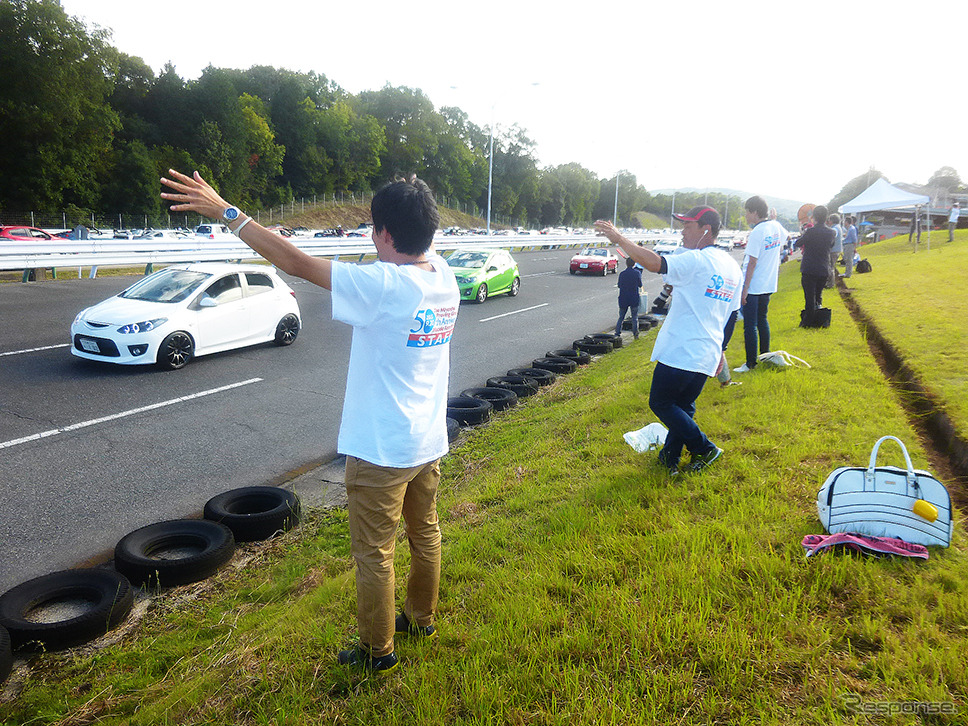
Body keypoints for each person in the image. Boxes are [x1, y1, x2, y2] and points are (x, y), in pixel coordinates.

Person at [160, 169, 459, 675]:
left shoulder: (383, 285)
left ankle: (376, 651)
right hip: (427, 440)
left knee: (375, 554)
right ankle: (421, 619)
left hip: (381, 449)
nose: (370, 234)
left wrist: (227, 212)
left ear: (385, 234)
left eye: (373, 226)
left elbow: (294, 261)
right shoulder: (443, 276)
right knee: (424, 534)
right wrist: (412, 196)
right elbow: (413, 233)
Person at [594, 206, 742, 475]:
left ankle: (705, 447)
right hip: (707, 351)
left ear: (705, 229)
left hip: (683, 349)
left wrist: (620, 239)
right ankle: (669, 458)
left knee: (661, 402)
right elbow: (732, 315)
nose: (682, 232)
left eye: (688, 227)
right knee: (683, 407)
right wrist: (721, 351)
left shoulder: (698, 260)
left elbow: (654, 263)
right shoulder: (731, 266)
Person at [734, 195, 787, 374]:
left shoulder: (757, 232)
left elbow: (752, 262)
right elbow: (784, 241)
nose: (746, 216)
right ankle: (765, 355)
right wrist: (774, 219)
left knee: (750, 324)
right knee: (762, 319)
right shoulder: (776, 226)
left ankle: (750, 363)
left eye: (747, 212)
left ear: (755, 212)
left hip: (755, 285)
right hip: (769, 283)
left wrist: (745, 289)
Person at [794, 205, 836, 312]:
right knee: (818, 295)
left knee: (809, 297)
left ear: (814, 216)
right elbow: (831, 245)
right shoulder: (831, 232)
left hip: (809, 268)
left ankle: (809, 320)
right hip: (823, 267)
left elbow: (798, 243)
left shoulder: (810, 231)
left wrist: (803, 232)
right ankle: (819, 316)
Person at [615, 256, 643, 339]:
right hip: (634, 297)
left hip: (623, 297)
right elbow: (640, 284)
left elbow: (619, 285)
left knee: (621, 317)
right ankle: (635, 333)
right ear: (634, 264)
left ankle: (617, 333)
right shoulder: (637, 273)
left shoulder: (622, 274)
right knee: (634, 317)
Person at [826, 213, 843, 288]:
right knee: (831, 266)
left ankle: (830, 284)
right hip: (837, 250)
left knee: (830, 267)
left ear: (832, 220)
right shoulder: (839, 227)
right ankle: (830, 283)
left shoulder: (834, 228)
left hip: (833, 250)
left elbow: (833, 235)